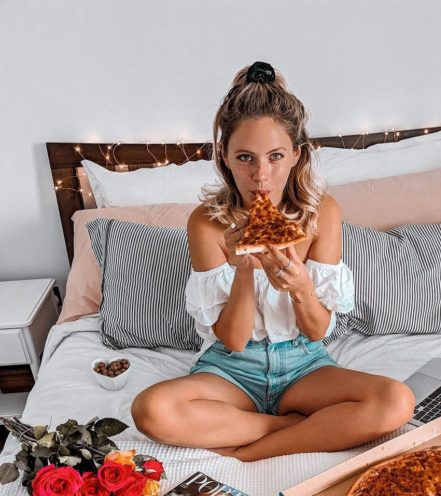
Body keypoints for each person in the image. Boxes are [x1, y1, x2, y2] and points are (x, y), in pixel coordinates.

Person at [131, 61, 415, 462]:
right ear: (224, 158)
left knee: (396, 401)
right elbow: (232, 340)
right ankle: (291, 426)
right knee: (150, 410)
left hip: (304, 367)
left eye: (276, 156)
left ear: (297, 155)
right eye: (245, 157)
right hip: (231, 370)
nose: (261, 176)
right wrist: (244, 268)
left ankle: (252, 452)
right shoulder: (206, 223)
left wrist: (300, 288)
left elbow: (317, 332)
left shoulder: (323, 214)